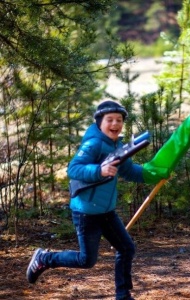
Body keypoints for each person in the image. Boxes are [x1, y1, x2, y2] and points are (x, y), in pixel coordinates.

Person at [26, 100, 146, 300]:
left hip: (106, 212)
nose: (115, 124)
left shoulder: (117, 145)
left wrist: (154, 174)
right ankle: (44, 258)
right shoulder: (94, 143)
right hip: (87, 212)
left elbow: (129, 170)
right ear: (100, 122)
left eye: (119, 120)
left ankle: (123, 295)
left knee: (126, 248)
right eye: (110, 120)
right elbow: (73, 169)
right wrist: (99, 170)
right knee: (86, 260)